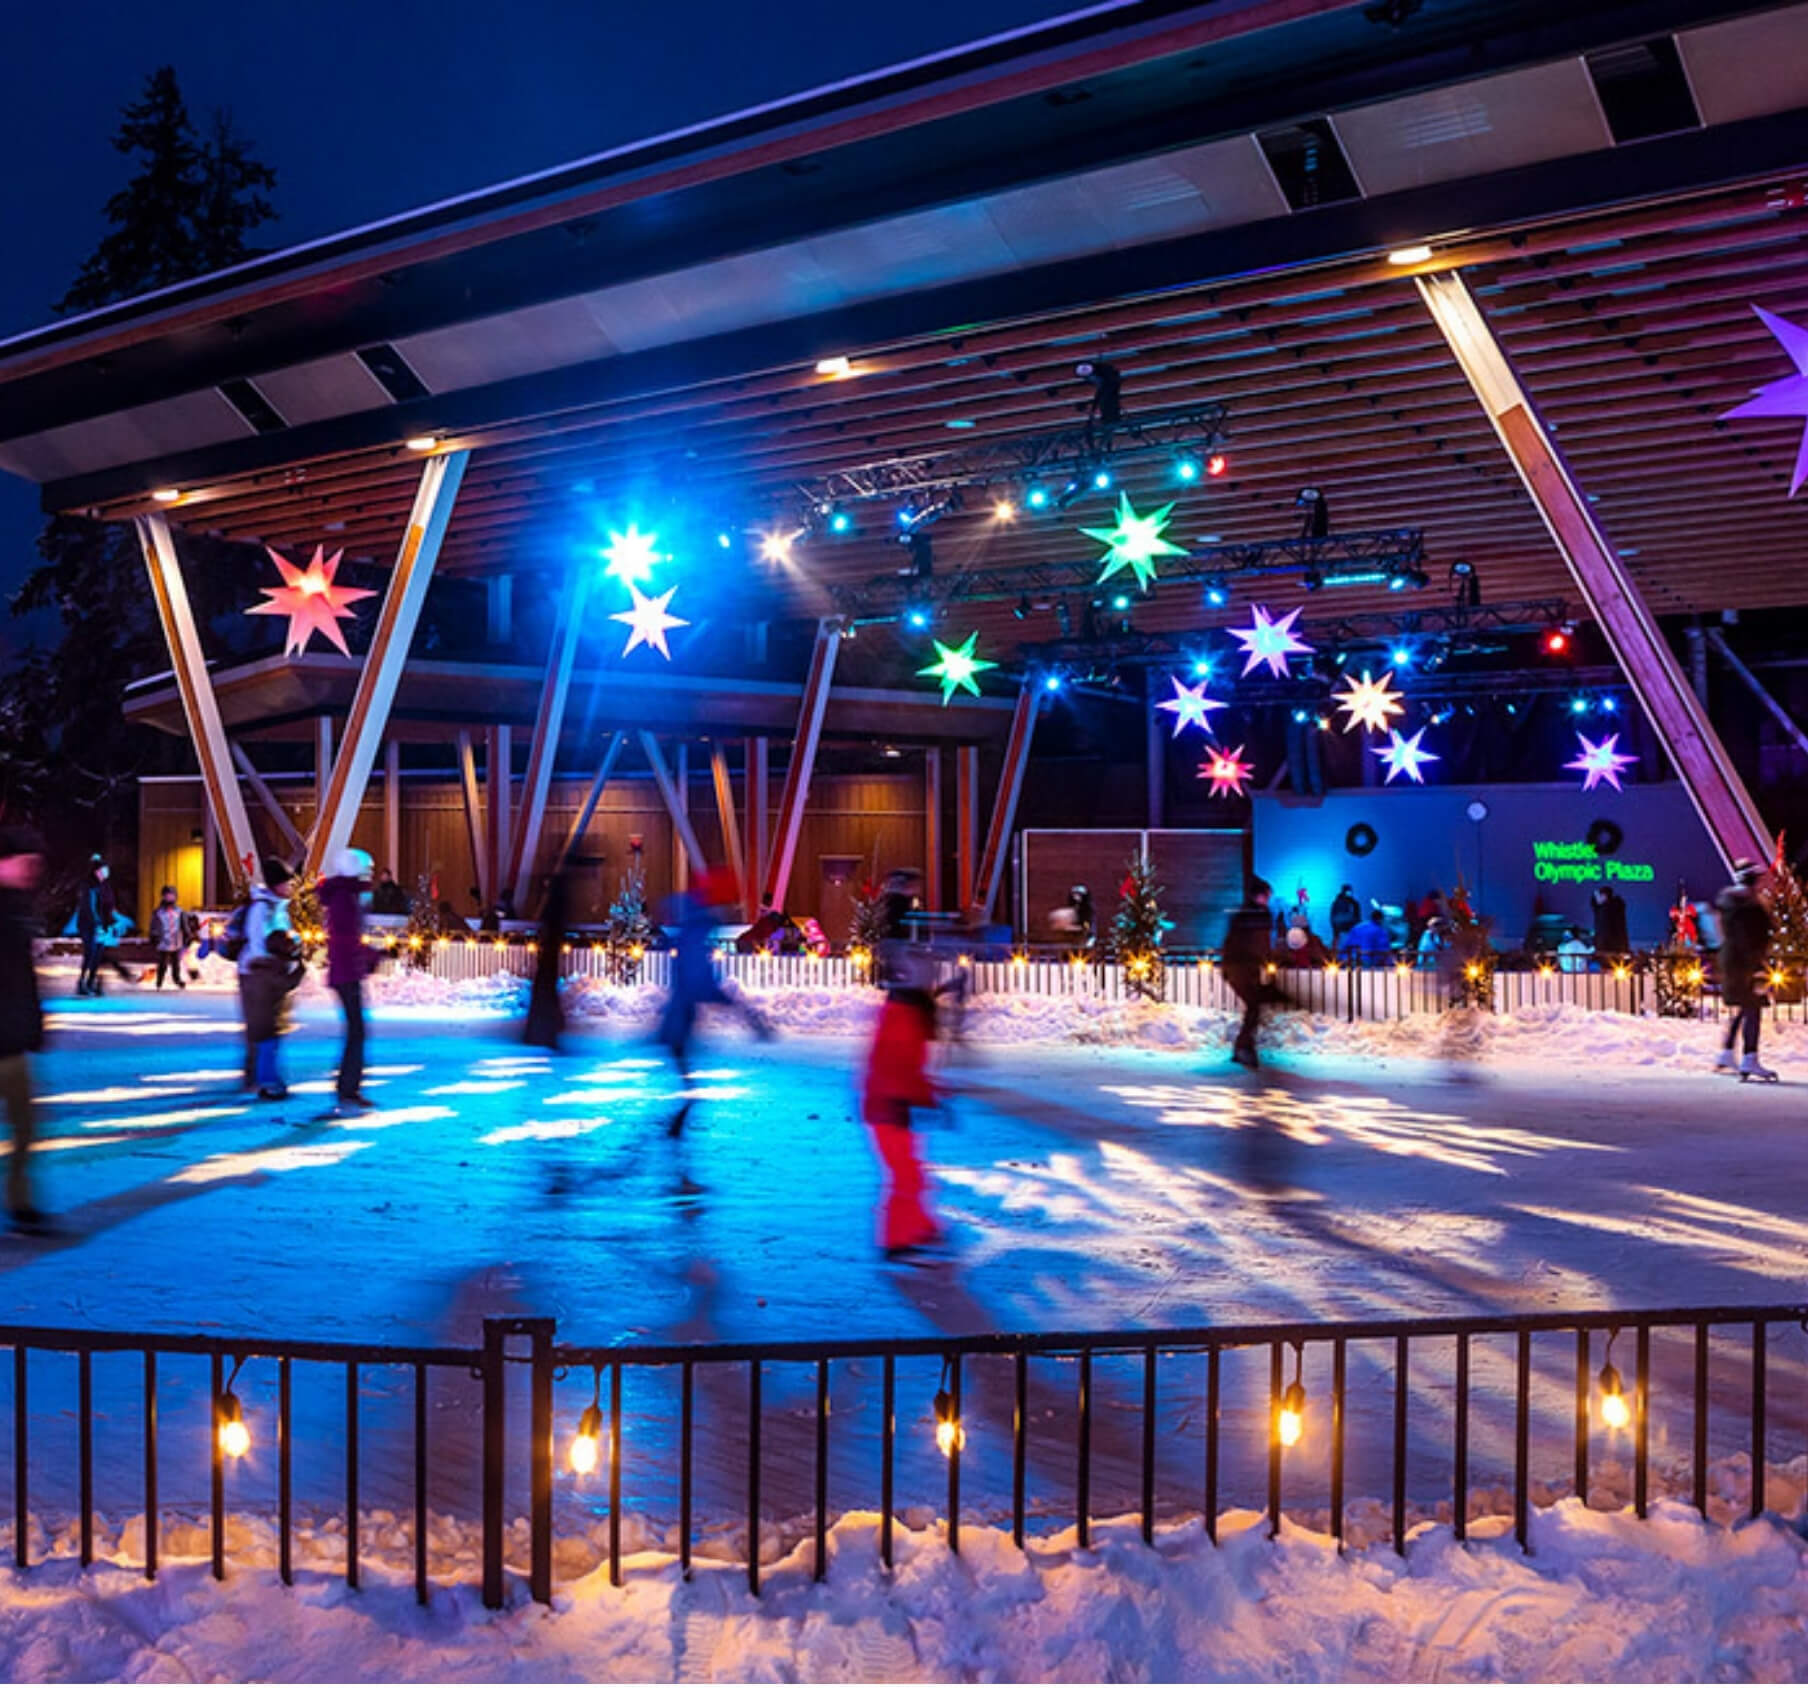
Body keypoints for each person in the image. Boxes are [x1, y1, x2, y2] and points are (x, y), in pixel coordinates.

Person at [657, 869, 771, 1141]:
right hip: (679, 1020)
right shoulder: (698, 927)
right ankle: (672, 1156)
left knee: (687, 1093)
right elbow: (698, 982)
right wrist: (747, 1015)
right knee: (688, 1094)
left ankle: (672, 1152)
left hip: (679, 1019)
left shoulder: (692, 924)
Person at [861, 948, 945, 1258]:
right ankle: (895, 1240)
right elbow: (896, 1068)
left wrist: (932, 1093)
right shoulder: (903, 1018)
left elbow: (910, 1069)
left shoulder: (907, 1014)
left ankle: (920, 1225)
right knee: (905, 1176)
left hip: (895, 1104)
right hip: (889, 1107)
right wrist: (923, 1099)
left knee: (911, 1172)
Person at [0, 828, 51, 1234]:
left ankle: (21, 1203)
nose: (33, 869)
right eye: (25, 860)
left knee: (27, 1124)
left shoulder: (18, 909)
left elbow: (24, 979)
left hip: (13, 1041)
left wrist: (34, 1024)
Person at [319, 849, 376, 1114]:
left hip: (347, 970)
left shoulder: (347, 896)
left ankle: (349, 1088)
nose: (371, 873)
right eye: (367, 868)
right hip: (346, 972)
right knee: (356, 1032)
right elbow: (346, 938)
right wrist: (369, 955)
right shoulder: (345, 898)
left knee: (356, 1031)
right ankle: (348, 1089)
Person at [240, 858, 300, 1101]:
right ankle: (265, 1080)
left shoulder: (278, 908)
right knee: (265, 1028)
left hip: (272, 973)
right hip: (258, 974)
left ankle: (258, 1076)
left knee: (268, 1028)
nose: (291, 887)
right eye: (287, 882)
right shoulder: (262, 908)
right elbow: (257, 942)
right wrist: (274, 958)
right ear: (277, 884)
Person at [1715, 858, 1775, 1079]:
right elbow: (1751, 938)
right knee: (1753, 1006)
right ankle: (1750, 1057)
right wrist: (1758, 965)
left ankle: (1727, 1052)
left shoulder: (1731, 903)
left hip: (1733, 961)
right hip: (1746, 963)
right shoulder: (1749, 905)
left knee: (1744, 1006)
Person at [1221, 878, 1279, 1069]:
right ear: (1257, 895)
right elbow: (1254, 943)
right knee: (1254, 1006)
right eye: (1266, 895)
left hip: (1244, 967)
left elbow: (1259, 944)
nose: (1268, 899)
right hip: (1240, 967)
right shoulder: (1253, 915)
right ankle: (1244, 1047)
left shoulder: (1253, 914)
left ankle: (1243, 1047)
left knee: (1254, 1007)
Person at [523, 871, 570, 1050]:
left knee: (546, 981)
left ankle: (541, 1031)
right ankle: (545, 1031)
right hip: (550, 949)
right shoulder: (558, 907)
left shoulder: (552, 907)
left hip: (549, 949)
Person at [74, 856, 116, 997]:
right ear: (96, 871)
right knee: (90, 952)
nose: (105, 872)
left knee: (98, 954)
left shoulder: (104, 886)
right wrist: (97, 923)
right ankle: (82, 982)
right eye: (103, 870)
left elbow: (108, 905)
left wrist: (109, 921)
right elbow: (90, 907)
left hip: (101, 925)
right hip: (89, 925)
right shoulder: (89, 886)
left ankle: (91, 982)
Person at [149, 885, 188, 989]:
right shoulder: (159, 912)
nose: (170, 898)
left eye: (172, 895)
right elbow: (154, 925)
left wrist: (187, 935)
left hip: (176, 940)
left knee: (176, 963)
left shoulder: (179, 912)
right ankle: (159, 980)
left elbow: (184, 924)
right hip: (163, 940)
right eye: (167, 895)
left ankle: (177, 979)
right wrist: (154, 935)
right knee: (163, 963)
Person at [1592, 885, 1630, 959]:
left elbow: (1605, 930)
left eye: (1600, 896)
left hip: (1608, 947)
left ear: (1605, 896)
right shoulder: (1612, 907)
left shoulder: (1606, 910)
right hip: (1615, 947)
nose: (1598, 899)